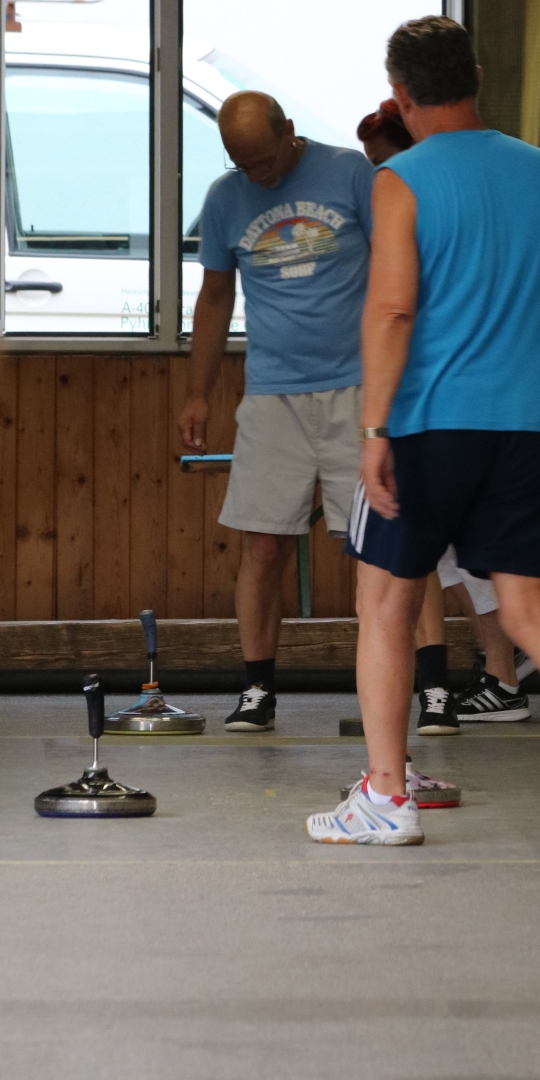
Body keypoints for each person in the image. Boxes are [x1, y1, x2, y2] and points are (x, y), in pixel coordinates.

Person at [307, 17, 540, 849]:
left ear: (400, 94)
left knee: (385, 604)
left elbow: (392, 311)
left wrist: (373, 428)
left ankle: (384, 797)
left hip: (427, 425)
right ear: (475, 78)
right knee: (532, 609)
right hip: (528, 427)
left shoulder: (400, 179)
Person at [178, 91, 374, 731]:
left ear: (289, 130)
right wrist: (198, 392)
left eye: (263, 160)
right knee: (263, 544)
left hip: (358, 387)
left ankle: (411, 685)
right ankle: (257, 688)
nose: (256, 174)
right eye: (242, 164)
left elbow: (402, 270)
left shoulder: (350, 173)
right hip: (272, 393)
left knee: (376, 546)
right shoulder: (225, 198)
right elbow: (213, 299)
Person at [356, 99, 532, 731]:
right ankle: (507, 676)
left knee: (433, 572)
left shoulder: (417, 197)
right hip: (510, 407)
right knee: (472, 566)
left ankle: (500, 676)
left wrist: (376, 428)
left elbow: (397, 314)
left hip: (441, 408)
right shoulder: (515, 181)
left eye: (384, 160)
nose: (380, 173)